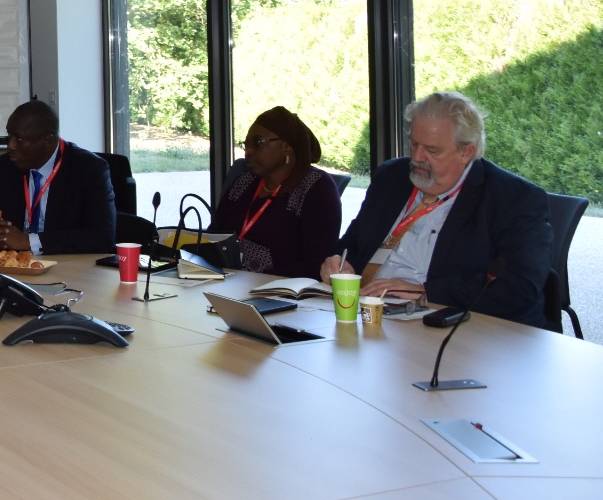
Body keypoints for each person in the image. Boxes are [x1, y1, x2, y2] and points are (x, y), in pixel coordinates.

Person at [320, 91, 552, 328]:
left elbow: (520, 286)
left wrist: (426, 292)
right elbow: (354, 242)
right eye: (414, 144)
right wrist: (339, 260)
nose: (418, 157)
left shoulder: (513, 199)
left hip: (455, 326)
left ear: (466, 152)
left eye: (432, 150)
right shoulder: (392, 177)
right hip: (368, 314)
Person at [0, 100, 115, 255]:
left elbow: (103, 236)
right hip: (16, 267)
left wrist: (28, 241)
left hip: (68, 269)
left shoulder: (88, 169)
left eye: (18, 139)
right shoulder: (6, 166)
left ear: (47, 140)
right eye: (9, 136)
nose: (10, 146)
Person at [210, 106, 341, 277]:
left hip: (278, 290)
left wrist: (256, 281)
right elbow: (214, 234)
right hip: (224, 280)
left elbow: (317, 263)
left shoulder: (316, 187)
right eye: (246, 144)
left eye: (258, 143)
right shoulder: (244, 182)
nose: (248, 151)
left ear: (286, 147)